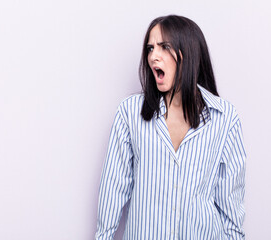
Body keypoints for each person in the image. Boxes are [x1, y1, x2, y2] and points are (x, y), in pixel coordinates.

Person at [95, 15, 246, 239]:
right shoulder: (130, 113)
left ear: (188, 53)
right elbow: (113, 189)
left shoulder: (225, 118)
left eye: (164, 47)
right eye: (150, 48)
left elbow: (230, 208)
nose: (153, 56)